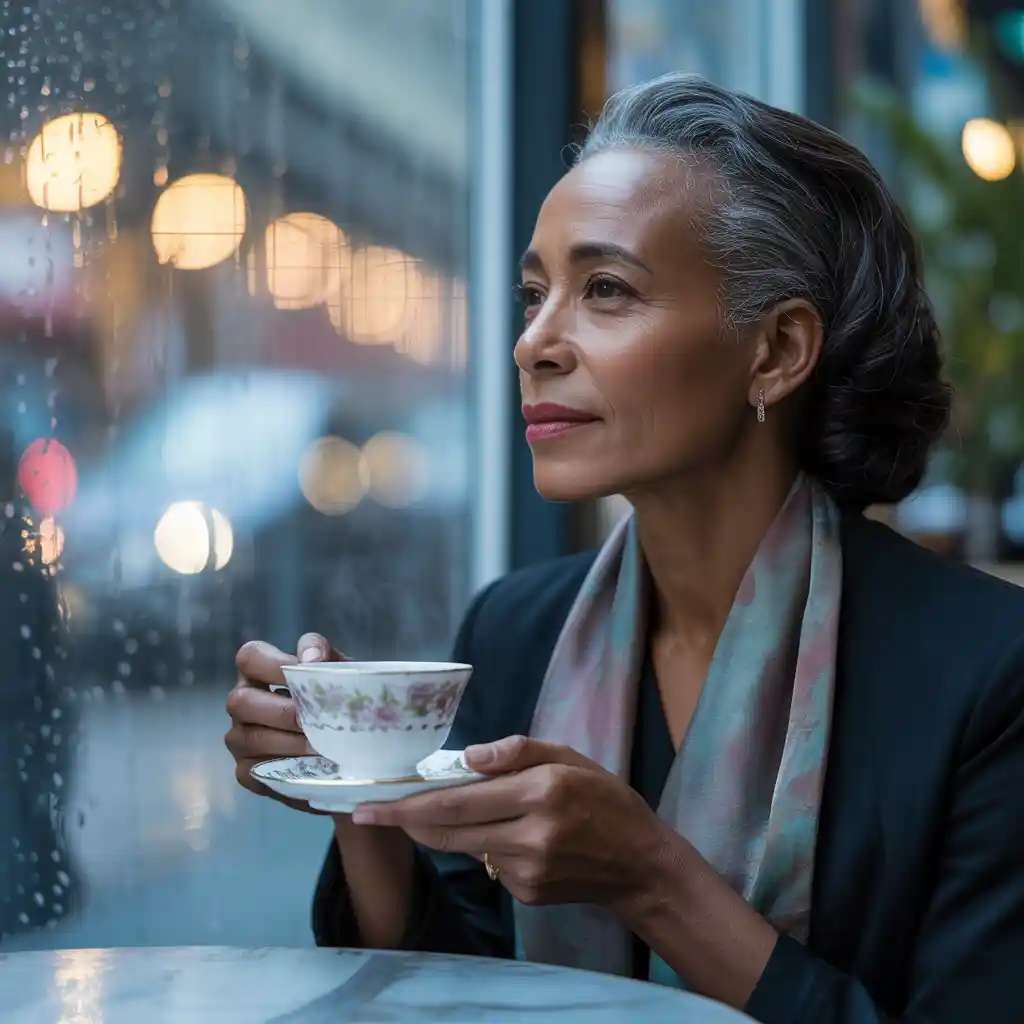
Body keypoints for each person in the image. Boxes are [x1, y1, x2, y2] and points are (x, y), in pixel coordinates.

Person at [225, 74, 1024, 1023]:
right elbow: (457, 987)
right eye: (534, 294)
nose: (533, 344)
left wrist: (651, 876)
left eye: (606, 290)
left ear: (776, 352)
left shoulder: (988, 672)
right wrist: (361, 784)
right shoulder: (517, 629)